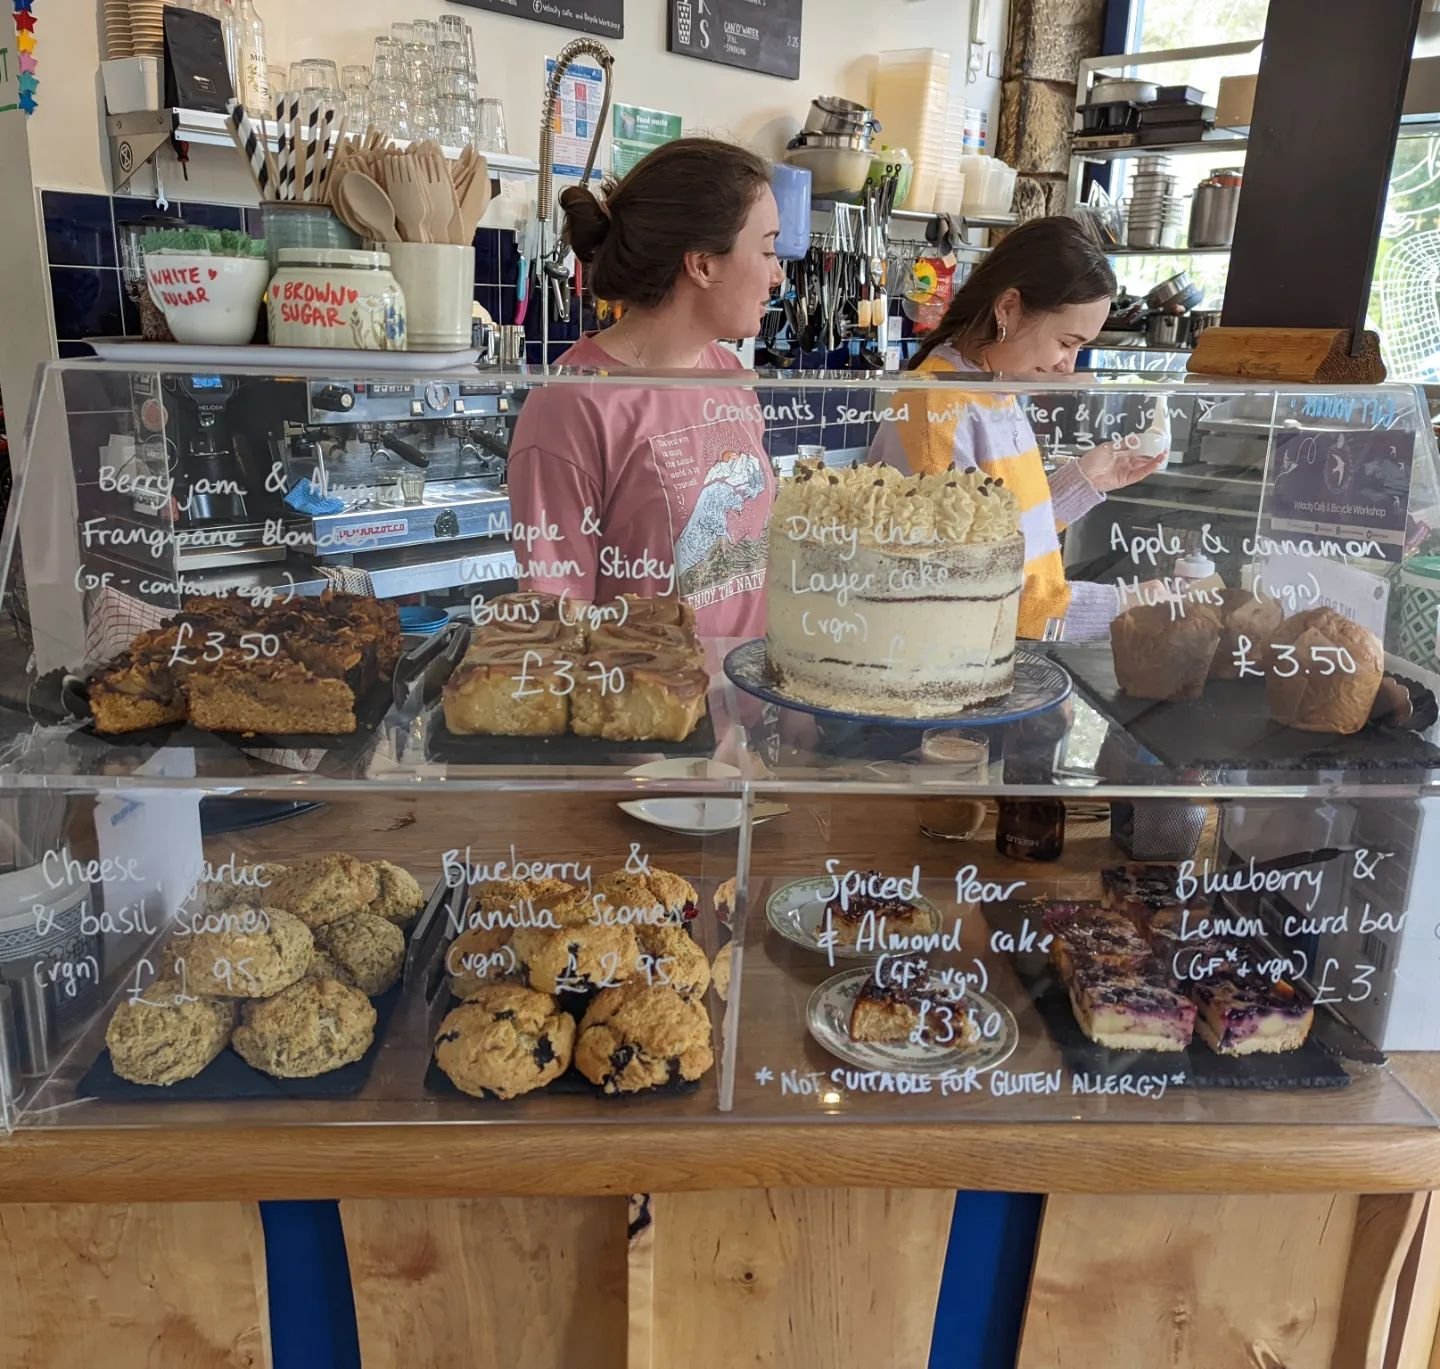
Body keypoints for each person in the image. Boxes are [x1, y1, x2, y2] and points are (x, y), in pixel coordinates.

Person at [504, 138, 784, 638]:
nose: (777, 274)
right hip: (649, 704)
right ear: (702, 265)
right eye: (765, 249)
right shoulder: (572, 404)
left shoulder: (731, 377)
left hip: (748, 702)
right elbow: (558, 621)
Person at [870, 215, 1168, 641]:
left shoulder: (993, 388)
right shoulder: (937, 407)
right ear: (1008, 307)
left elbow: (1003, 532)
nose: (1068, 365)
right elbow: (974, 585)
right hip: (947, 661)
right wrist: (1123, 606)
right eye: (1066, 343)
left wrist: (1083, 480)